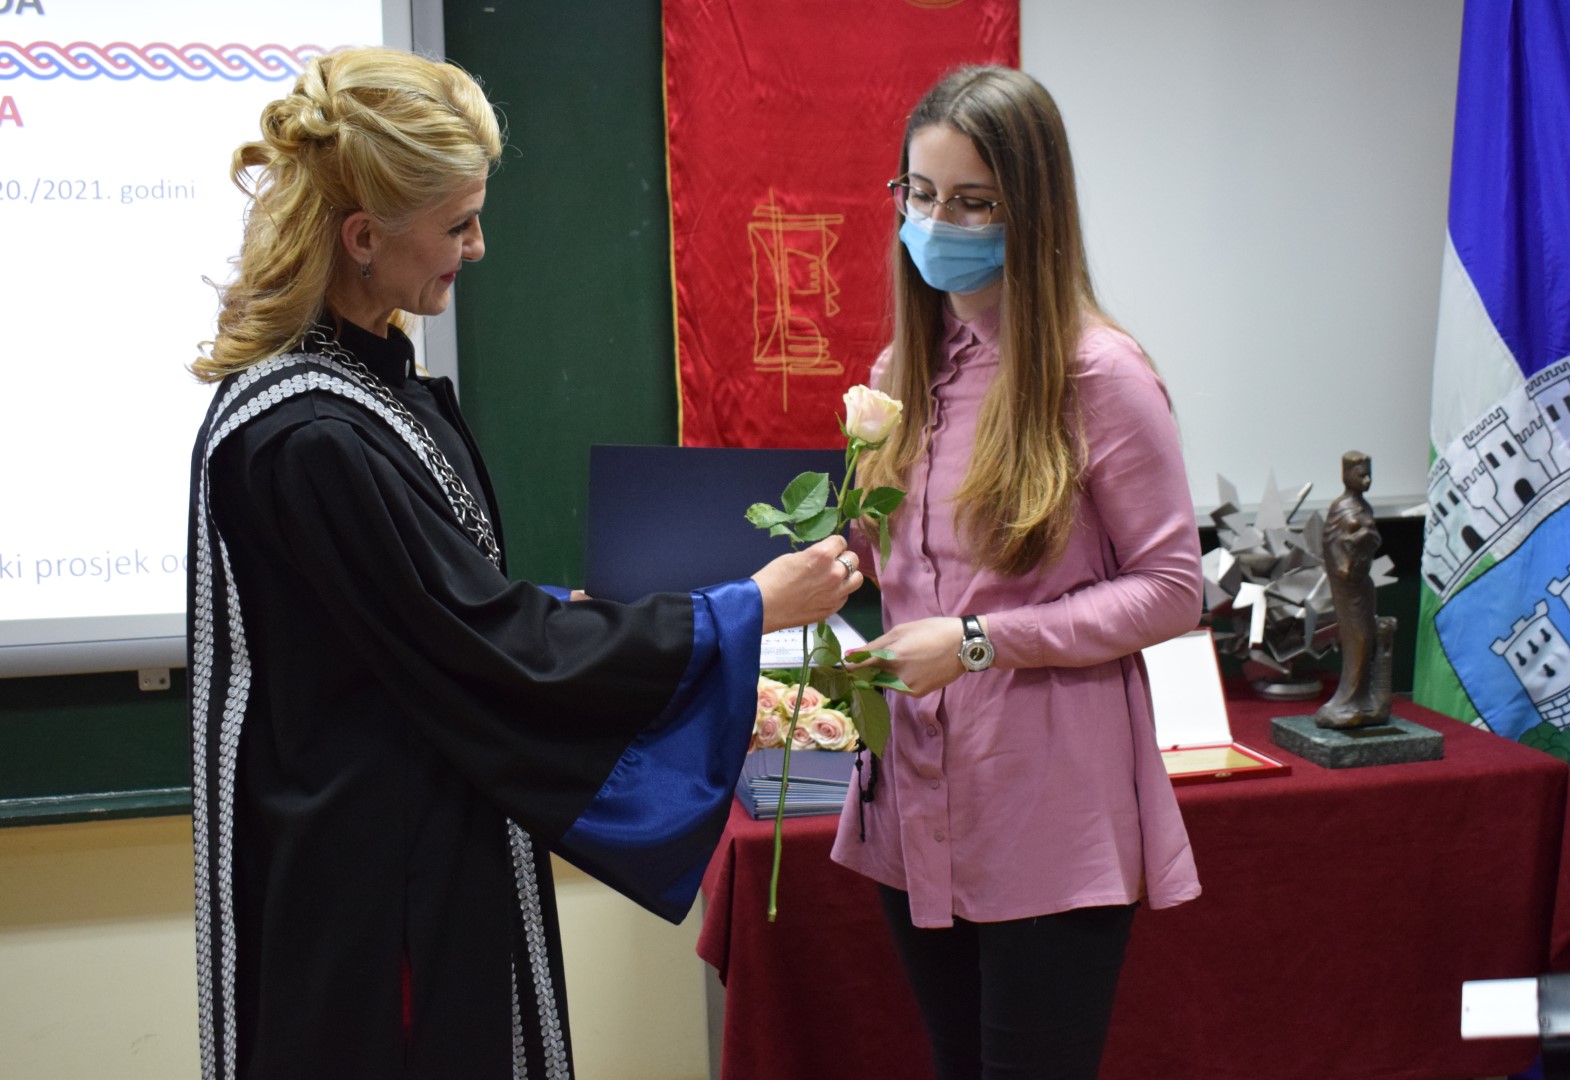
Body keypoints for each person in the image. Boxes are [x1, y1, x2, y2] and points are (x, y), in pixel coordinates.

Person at [186, 47, 860, 1080]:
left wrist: (550, 607)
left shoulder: (361, 385)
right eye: (458, 223)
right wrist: (743, 610)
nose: (478, 246)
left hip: (408, 834)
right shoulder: (312, 435)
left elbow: (418, 606)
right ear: (363, 238)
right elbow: (485, 642)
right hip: (376, 885)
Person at [831, 66, 1204, 1080]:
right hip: (915, 793)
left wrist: (979, 642)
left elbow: (1174, 586)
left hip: (1047, 808)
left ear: (1029, 212)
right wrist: (826, 559)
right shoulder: (900, 374)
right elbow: (891, 564)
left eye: (971, 202)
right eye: (919, 193)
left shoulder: (1101, 376)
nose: (934, 223)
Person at [1315, 451, 1388, 728]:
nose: (1367, 480)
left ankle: (1362, 698)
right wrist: (1354, 546)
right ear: (1346, 475)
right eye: (1361, 475)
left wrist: (1367, 537)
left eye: (1369, 475)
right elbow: (1331, 543)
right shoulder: (1340, 507)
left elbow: (1375, 538)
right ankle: (1346, 700)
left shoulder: (1365, 507)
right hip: (1347, 584)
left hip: (1363, 581)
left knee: (1367, 637)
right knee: (1356, 637)